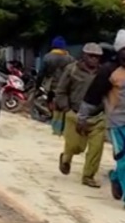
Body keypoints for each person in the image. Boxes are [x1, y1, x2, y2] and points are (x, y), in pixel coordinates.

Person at [78, 30, 125, 205]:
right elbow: (93, 96)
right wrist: (82, 117)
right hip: (117, 123)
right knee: (123, 159)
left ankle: (116, 177)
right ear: (118, 51)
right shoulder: (108, 71)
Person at [55, 43, 104, 187]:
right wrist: (66, 110)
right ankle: (66, 156)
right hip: (75, 113)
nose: (94, 59)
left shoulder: (103, 73)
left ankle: (88, 176)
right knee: (76, 147)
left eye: (97, 57)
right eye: (91, 56)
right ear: (84, 56)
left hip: (97, 116)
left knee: (96, 148)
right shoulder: (72, 70)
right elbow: (61, 91)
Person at [38, 36, 76, 135]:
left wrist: (38, 85)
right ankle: (64, 127)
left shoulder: (47, 57)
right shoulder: (70, 58)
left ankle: (55, 127)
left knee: (52, 105)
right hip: (66, 86)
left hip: (51, 85)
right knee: (64, 106)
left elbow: (42, 73)